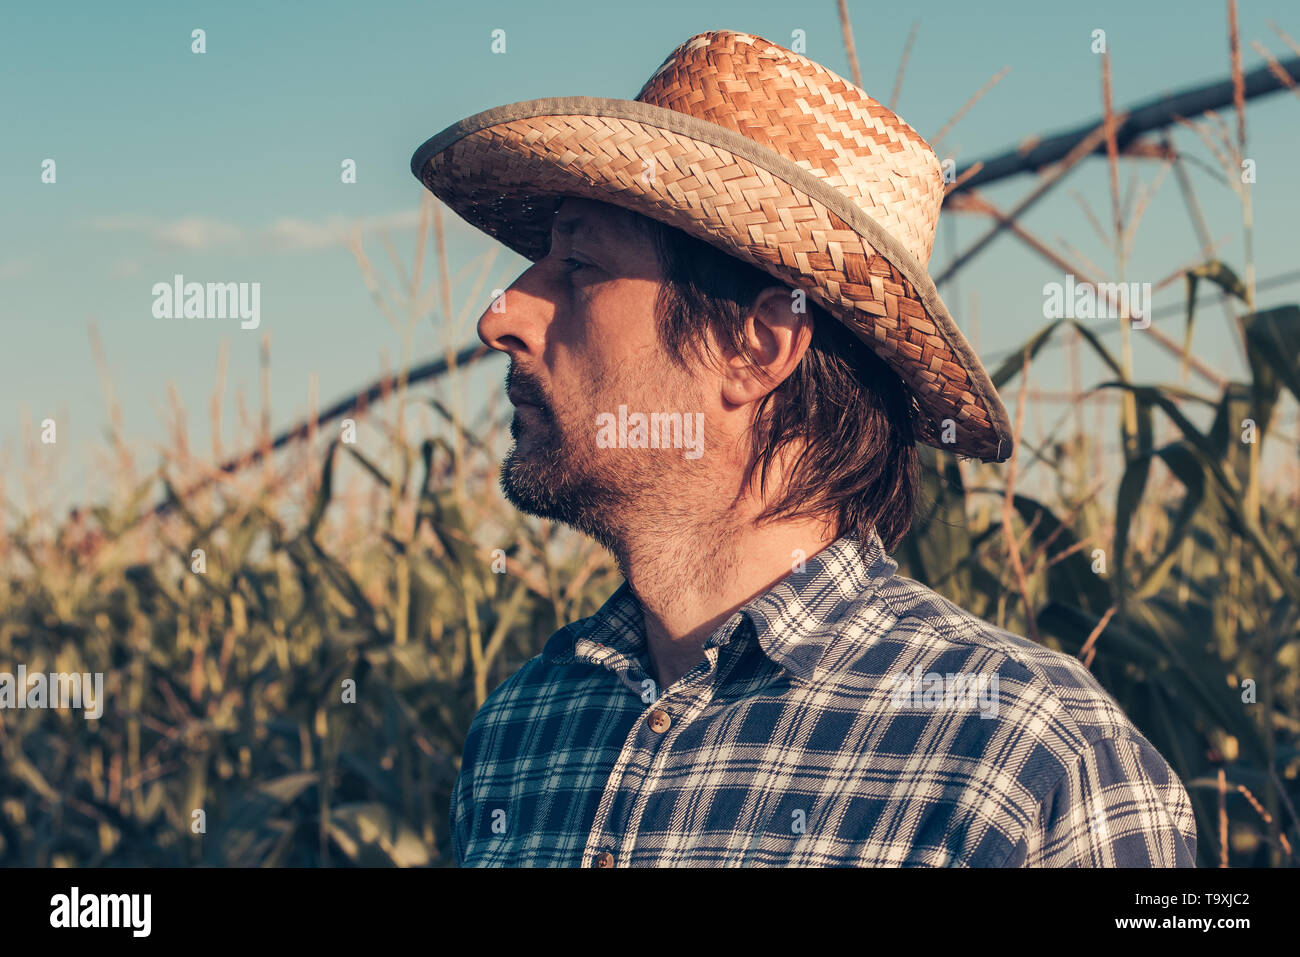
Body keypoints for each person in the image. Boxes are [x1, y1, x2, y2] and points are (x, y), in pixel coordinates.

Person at [410, 29, 1197, 866]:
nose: (501, 317)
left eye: (580, 265)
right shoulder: (524, 728)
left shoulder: (1023, 761)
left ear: (758, 344)